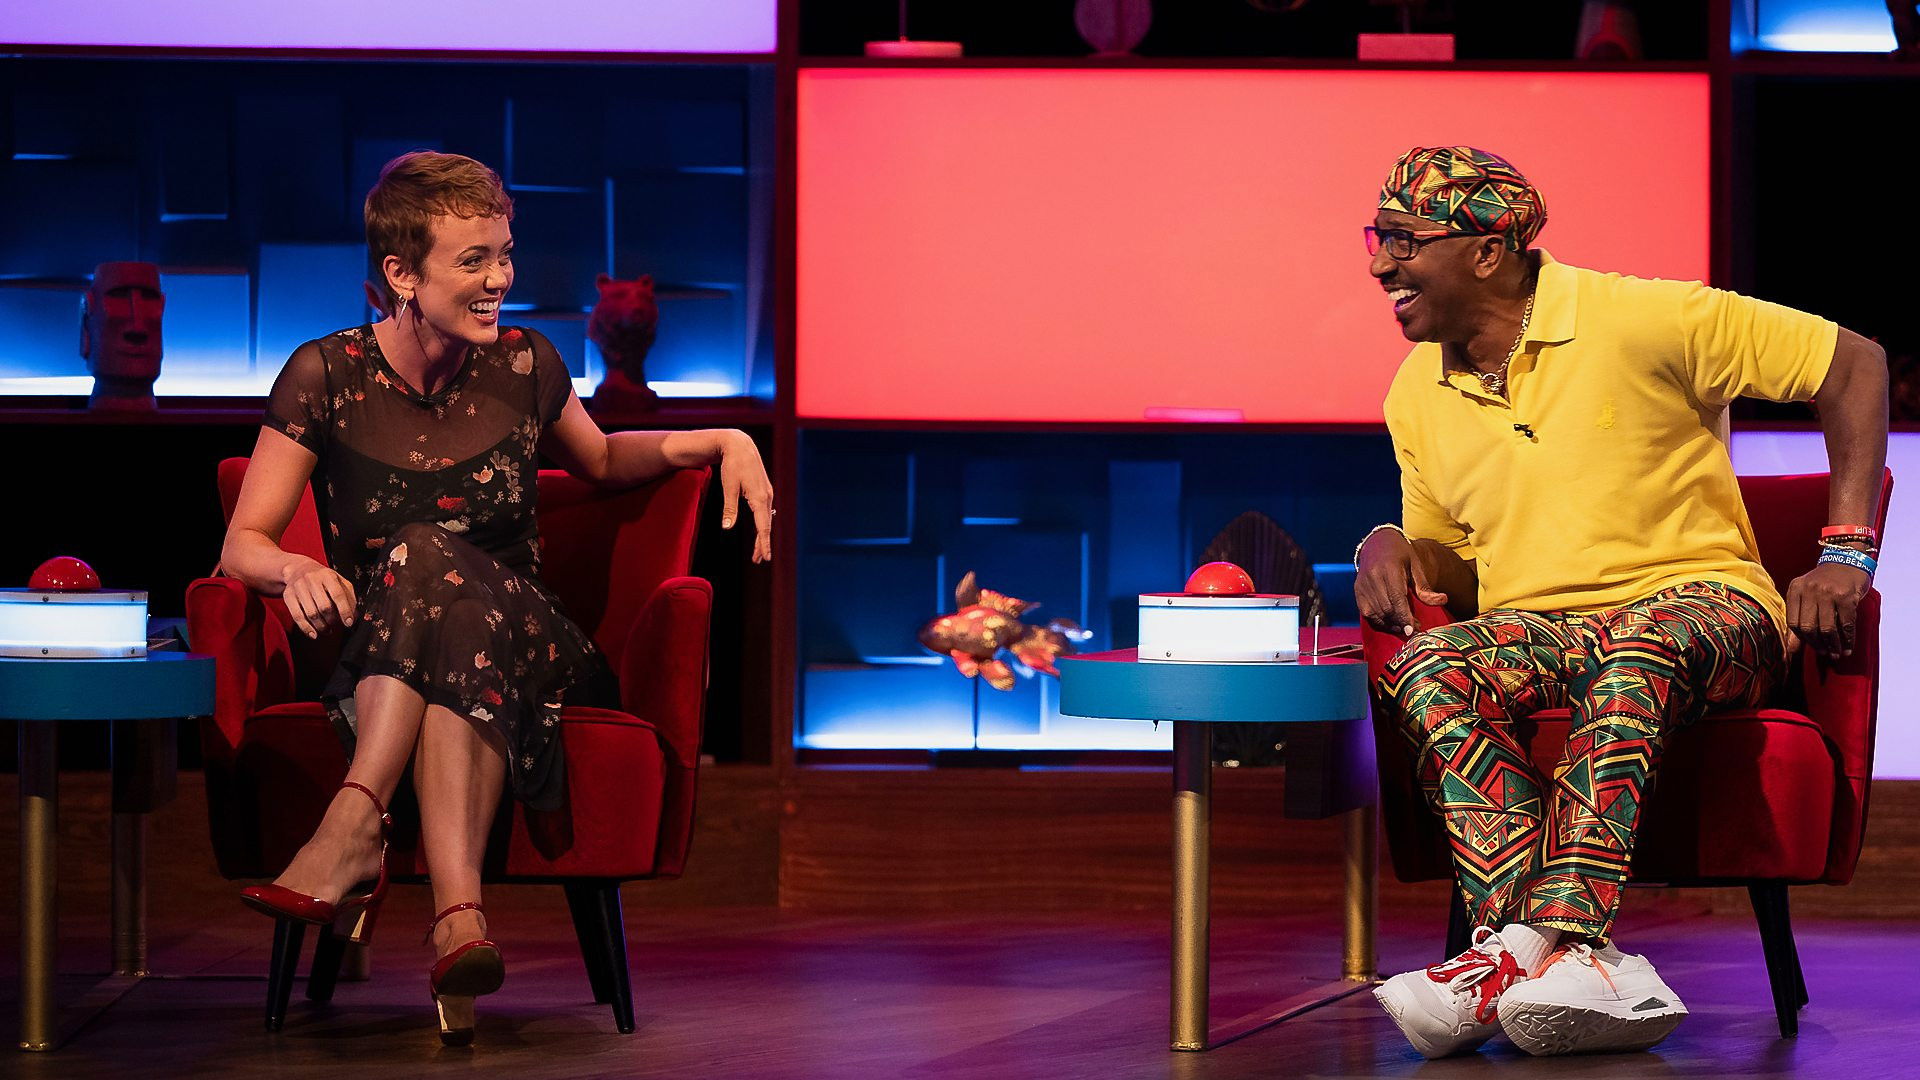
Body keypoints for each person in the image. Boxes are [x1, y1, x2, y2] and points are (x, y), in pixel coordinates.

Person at [221, 151, 773, 1045]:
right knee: (445, 627)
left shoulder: (525, 365)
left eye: (504, 255)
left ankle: (353, 823)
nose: (499, 281)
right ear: (401, 273)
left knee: (424, 552)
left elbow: (602, 460)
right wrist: (293, 569)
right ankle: (459, 923)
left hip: (537, 647)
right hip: (395, 654)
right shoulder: (326, 375)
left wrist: (719, 438)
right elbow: (243, 541)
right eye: (473, 260)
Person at [1353, 146, 1887, 1058]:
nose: (1378, 265)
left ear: (1486, 252)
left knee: (1638, 646)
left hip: (1706, 607)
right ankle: (1548, 956)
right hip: (1547, 627)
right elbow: (1461, 569)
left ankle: (1534, 948)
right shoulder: (1417, 391)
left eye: (1403, 241)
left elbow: (1855, 366)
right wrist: (1389, 542)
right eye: (1377, 238)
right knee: (1428, 664)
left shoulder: (1643, 317)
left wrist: (1845, 552)